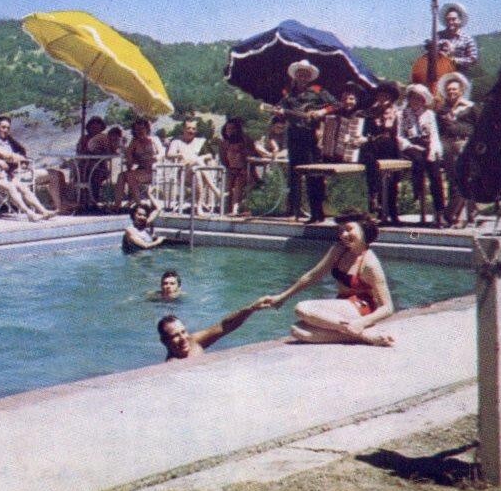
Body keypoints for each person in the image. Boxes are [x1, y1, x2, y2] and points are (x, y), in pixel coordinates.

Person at [258, 211, 395, 347]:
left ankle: (360, 330)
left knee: (302, 308)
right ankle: (364, 335)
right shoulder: (339, 250)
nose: (343, 235)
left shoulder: (370, 264)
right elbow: (312, 276)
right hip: (344, 308)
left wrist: (361, 322)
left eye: (349, 229)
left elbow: (388, 307)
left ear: (364, 230)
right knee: (298, 330)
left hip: (362, 310)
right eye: (341, 231)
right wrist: (282, 297)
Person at [271, 59, 336, 224]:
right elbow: (279, 114)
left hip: (312, 137)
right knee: (294, 174)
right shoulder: (288, 94)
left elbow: (336, 105)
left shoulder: (318, 91)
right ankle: (294, 212)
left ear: (310, 77)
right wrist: (279, 113)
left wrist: (322, 112)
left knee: (314, 174)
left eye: (306, 74)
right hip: (294, 136)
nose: (303, 77)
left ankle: (317, 213)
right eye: (300, 74)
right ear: (295, 75)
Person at [0, 115, 55, 222]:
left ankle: (43, 211)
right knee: (10, 187)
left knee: (22, 186)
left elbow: (5, 154)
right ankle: (29, 213)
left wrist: (19, 158)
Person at [0, 114, 69, 214]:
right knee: (54, 175)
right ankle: (58, 207)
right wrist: (18, 159)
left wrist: (23, 160)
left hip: (21, 171)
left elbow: (22, 151)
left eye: (8, 128)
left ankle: (60, 206)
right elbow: (6, 156)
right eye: (3, 127)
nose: (6, 130)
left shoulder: (8, 139)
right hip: (10, 176)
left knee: (57, 174)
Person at [157, 298, 273, 361]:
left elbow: (224, 326)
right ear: (164, 341)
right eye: (175, 336)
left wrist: (252, 308)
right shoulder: (173, 365)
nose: (183, 338)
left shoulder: (194, 341)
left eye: (183, 332)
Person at [435, 72, 478, 228]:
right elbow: (438, 131)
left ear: (461, 90)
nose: (451, 92)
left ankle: (457, 215)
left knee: (466, 179)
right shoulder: (442, 110)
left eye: (454, 89)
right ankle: (458, 216)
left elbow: (479, 127)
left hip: (466, 145)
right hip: (449, 147)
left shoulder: (470, 107)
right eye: (449, 90)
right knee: (454, 180)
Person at [399, 84, 446, 227]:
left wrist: (433, 150)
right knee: (418, 160)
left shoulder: (429, 114)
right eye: (413, 98)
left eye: (419, 99)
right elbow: (399, 135)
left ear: (423, 100)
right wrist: (410, 145)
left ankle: (439, 212)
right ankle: (417, 191)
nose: (415, 101)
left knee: (435, 172)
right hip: (410, 144)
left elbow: (434, 135)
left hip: (427, 144)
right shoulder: (402, 114)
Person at [360, 81, 402, 224]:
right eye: (381, 96)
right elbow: (366, 133)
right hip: (374, 150)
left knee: (392, 181)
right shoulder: (370, 113)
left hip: (392, 149)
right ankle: (378, 210)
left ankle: (393, 213)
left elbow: (398, 134)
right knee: (375, 177)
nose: (383, 99)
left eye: (386, 96)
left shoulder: (397, 113)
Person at [166, 119, 220, 212]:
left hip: (200, 174)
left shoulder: (200, 141)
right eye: (188, 128)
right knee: (197, 164)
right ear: (183, 129)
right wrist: (180, 155)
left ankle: (198, 206)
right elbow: (169, 155)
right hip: (183, 173)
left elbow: (210, 155)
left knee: (197, 169)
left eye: (193, 129)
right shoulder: (176, 141)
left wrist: (202, 157)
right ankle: (215, 190)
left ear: (196, 130)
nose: (191, 131)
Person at [115, 118, 164, 209]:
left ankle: (139, 205)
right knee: (121, 176)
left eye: (142, 128)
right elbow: (129, 158)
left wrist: (154, 158)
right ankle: (117, 205)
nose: (140, 131)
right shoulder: (134, 142)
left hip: (154, 171)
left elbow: (162, 153)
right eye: (137, 129)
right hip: (141, 170)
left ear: (147, 129)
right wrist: (129, 151)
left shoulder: (154, 140)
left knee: (130, 175)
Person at [217, 117, 258, 216]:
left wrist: (244, 168)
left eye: (232, 129)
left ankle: (238, 209)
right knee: (230, 182)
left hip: (246, 169)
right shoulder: (223, 143)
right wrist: (231, 169)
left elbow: (251, 157)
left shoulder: (246, 140)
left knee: (240, 181)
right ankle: (228, 209)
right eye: (228, 129)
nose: (230, 131)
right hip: (231, 169)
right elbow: (224, 160)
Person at [319, 82, 368, 163]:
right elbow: (322, 126)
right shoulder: (335, 114)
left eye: (351, 99)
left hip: (356, 156)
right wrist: (321, 135)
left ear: (357, 100)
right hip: (334, 158)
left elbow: (370, 136)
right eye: (344, 99)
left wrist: (364, 139)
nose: (347, 101)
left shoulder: (363, 115)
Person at [430, 3, 479, 73]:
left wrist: (453, 60)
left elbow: (473, 59)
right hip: (440, 73)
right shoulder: (438, 36)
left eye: (453, 19)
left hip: (459, 74)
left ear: (460, 20)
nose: (450, 22)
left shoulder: (467, 39)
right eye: (448, 20)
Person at [84, 125, 125, 207]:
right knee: (97, 175)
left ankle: (95, 199)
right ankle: (93, 199)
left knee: (102, 174)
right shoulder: (103, 139)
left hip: (98, 162)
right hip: (90, 161)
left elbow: (114, 152)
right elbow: (107, 152)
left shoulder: (110, 139)